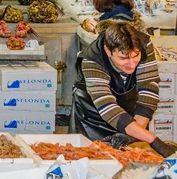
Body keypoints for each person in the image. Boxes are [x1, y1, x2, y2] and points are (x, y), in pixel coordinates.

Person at [70, 22, 177, 157]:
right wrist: (153, 140)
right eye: (123, 58)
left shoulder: (143, 44)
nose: (132, 64)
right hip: (94, 115)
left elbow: (148, 88)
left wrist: (133, 134)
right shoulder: (92, 59)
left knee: (131, 160)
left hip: (129, 114)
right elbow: (107, 106)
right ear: (108, 51)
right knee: (93, 160)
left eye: (135, 56)